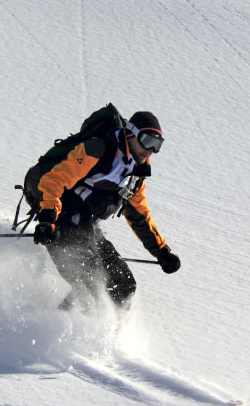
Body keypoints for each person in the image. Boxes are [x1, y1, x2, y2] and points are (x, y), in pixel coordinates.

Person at [22, 108, 180, 310]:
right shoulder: (99, 149)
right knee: (91, 283)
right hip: (58, 210)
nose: (151, 150)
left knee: (124, 286)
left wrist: (162, 252)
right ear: (130, 133)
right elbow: (54, 180)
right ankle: (55, 328)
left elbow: (139, 215)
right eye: (148, 141)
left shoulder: (135, 175)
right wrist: (47, 220)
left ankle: (111, 334)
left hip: (85, 220)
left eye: (157, 145)